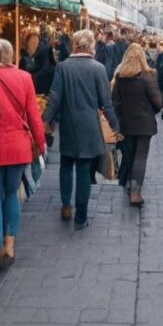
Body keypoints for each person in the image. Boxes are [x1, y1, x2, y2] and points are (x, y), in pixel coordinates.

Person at [0, 40, 46, 269]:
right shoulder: (25, 77)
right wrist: (41, 142)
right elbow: (34, 115)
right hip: (19, 146)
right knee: (12, 192)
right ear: (11, 55)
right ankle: (10, 244)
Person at [42, 29, 120, 229]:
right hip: (89, 127)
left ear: (75, 44)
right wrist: (115, 125)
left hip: (68, 125)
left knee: (66, 165)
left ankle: (66, 205)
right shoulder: (98, 68)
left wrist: (45, 120)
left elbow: (55, 97)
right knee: (84, 171)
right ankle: (81, 216)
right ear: (91, 45)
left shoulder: (63, 67)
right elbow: (106, 102)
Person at [112, 44, 163, 207]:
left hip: (126, 123)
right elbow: (158, 103)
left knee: (130, 155)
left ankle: (128, 185)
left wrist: (119, 121)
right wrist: (150, 111)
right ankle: (135, 193)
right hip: (144, 123)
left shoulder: (120, 77)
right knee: (140, 157)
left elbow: (115, 102)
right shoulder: (147, 76)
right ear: (142, 57)